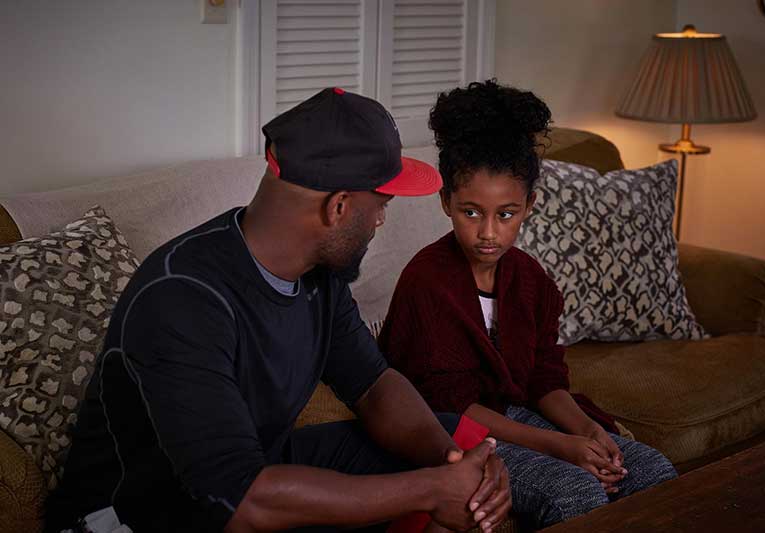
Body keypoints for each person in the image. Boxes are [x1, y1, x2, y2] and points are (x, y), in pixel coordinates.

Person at [45, 88, 511, 533]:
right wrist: (430, 490)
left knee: (450, 439)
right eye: (381, 205)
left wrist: (453, 467)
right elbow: (242, 503)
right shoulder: (180, 298)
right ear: (340, 207)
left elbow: (373, 384)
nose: (381, 221)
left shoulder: (318, 274)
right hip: (134, 515)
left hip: (250, 476)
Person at [378, 80, 678, 529]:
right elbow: (450, 405)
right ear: (446, 202)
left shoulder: (531, 279)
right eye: (471, 212)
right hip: (451, 432)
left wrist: (587, 431)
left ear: (529, 206)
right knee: (576, 490)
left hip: (518, 414)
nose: (488, 233)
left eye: (506, 214)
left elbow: (544, 376)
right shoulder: (427, 282)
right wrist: (558, 447)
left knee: (653, 470)